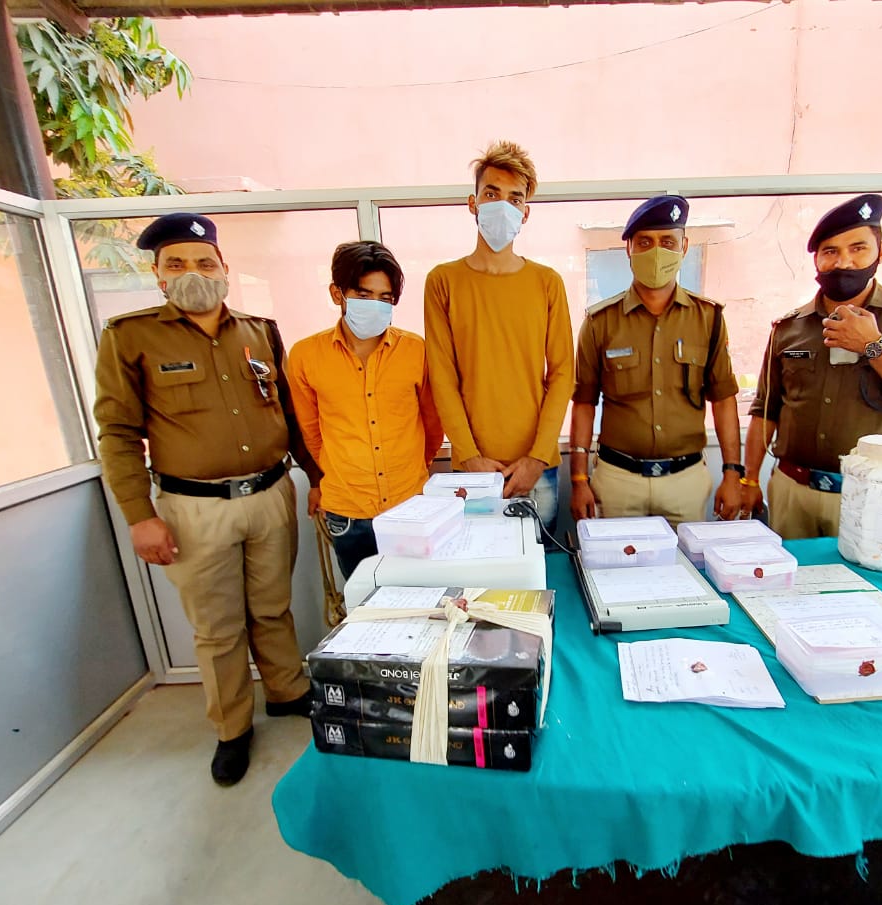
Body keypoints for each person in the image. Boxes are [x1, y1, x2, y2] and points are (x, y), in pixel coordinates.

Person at [94, 213, 319, 787]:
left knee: (271, 607)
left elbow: (288, 413)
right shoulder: (131, 337)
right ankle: (232, 728)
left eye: (203, 262)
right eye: (176, 264)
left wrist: (315, 477)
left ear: (224, 269)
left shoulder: (259, 331)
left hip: (269, 493)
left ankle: (287, 692)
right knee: (218, 627)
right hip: (194, 508)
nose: (192, 273)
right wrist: (140, 516)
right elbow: (117, 433)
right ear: (158, 274)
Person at [741, 194, 882, 538]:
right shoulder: (789, 327)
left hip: (869, 495)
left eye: (858, 248)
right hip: (793, 491)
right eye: (830, 252)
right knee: (787, 572)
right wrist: (749, 479)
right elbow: (765, 410)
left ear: (880, 252)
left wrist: (875, 346)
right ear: (817, 260)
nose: (844, 262)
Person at [423, 140, 573, 529]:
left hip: (537, 471)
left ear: (525, 212)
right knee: (476, 569)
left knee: (539, 566)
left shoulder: (546, 283)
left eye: (514, 198)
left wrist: (537, 458)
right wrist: (469, 456)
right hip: (471, 473)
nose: (502, 205)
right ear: (472, 203)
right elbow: (442, 376)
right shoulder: (443, 281)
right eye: (492, 194)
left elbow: (562, 374)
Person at [569, 195, 743, 528]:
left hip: (685, 482)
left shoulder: (708, 319)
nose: (656, 251)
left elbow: (723, 400)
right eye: (645, 243)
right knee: (616, 561)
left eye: (667, 242)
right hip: (618, 480)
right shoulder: (600, 323)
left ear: (684, 247)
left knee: (686, 563)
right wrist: (578, 479)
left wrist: (733, 473)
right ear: (629, 249)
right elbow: (584, 403)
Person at [289, 241, 444, 579]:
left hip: (410, 507)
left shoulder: (415, 350)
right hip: (348, 512)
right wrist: (341, 472)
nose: (375, 305)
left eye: (385, 298)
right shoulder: (305, 355)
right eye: (363, 295)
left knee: (421, 598)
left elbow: (433, 424)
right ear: (337, 294)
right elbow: (311, 431)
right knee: (364, 602)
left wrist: (412, 468)